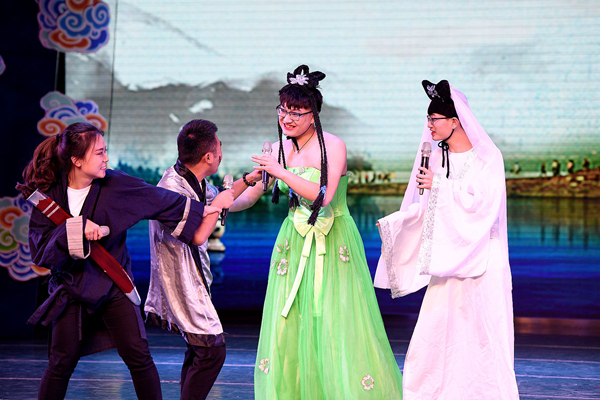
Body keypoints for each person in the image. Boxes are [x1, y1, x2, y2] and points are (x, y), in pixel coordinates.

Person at [16, 122, 232, 400]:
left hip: (112, 285)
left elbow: (161, 200)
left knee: (139, 358)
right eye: (99, 153)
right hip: (69, 289)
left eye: (105, 151)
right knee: (60, 363)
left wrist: (207, 209)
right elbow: (41, 252)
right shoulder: (49, 197)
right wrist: (75, 229)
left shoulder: (116, 185)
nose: (106, 158)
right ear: (77, 160)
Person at [231, 65, 403, 399]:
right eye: (283, 110)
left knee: (335, 318)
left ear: (314, 114)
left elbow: (322, 196)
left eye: (296, 112)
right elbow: (253, 194)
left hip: (333, 238)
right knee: (290, 319)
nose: (287, 118)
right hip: (293, 242)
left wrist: (280, 170)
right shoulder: (278, 148)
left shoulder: (333, 145)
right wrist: (222, 207)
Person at [374, 80, 519, 399]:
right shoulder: (437, 158)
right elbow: (428, 210)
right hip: (447, 257)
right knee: (436, 332)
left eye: (434, 119)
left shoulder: (488, 157)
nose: (429, 126)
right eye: (427, 119)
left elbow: (484, 206)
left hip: (482, 257)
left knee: (482, 333)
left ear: (455, 120)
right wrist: (397, 223)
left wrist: (439, 185)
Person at [144, 119, 262, 400]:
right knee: (211, 351)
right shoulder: (172, 188)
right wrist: (218, 205)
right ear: (208, 156)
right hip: (179, 282)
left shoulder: (193, 180)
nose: (221, 152)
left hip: (193, 278)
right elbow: (198, 236)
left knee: (199, 350)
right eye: (219, 147)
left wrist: (254, 179)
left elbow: (226, 198)